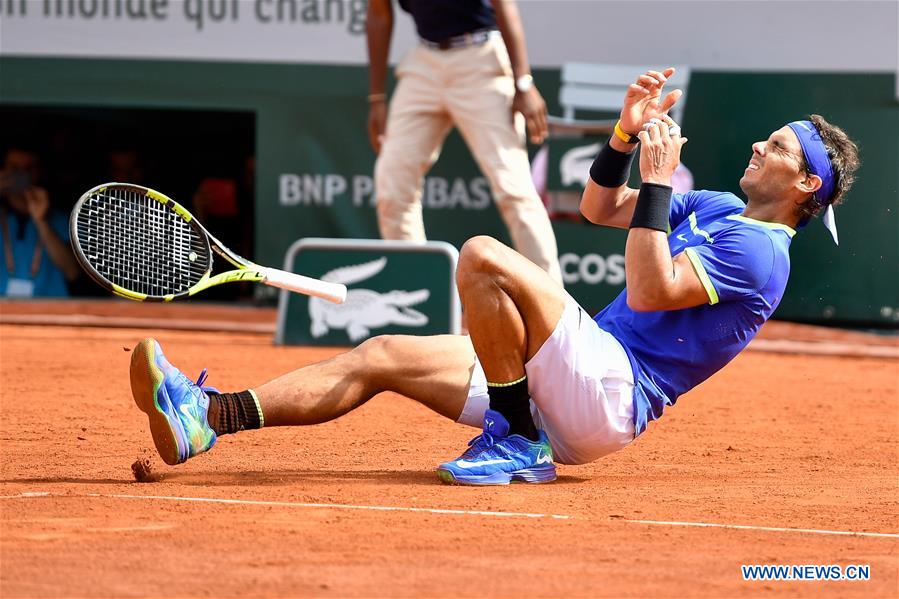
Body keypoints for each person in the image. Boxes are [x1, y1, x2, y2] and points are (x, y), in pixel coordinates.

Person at [129, 68, 859, 485]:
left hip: (612, 390)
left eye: (777, 148)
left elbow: (647, 292)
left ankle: (514, 436)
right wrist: (621, 139)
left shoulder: (763, 252)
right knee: (381, 354)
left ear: (803, 185)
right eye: (768, 139)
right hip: (579, 377)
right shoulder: (724, 205)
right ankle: (209, 416)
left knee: (481, 252)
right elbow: (600, 207)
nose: (759, 147)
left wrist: (662, 183)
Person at [366, 0, 562, 283]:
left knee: (514, 189)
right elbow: (379, 14)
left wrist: (523, 82)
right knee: (392, 185)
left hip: (481, 57)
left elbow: (504, 5)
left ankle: (555, 307)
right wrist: (376, 99)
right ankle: (419, 295)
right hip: (425, 61)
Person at [0, 147, 80, 298]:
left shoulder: (60, 219)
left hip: (50, 315)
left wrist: (41, 221)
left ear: (39, 172)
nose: (22, 175)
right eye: (15, 169)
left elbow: (72, 272)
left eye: (29, 168)